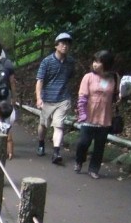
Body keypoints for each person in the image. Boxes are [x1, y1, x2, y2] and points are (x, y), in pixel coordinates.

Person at [74, 50, 119, 179]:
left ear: (106, 64)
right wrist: (82, 113)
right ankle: (79, 160)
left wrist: (122, 94)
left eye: (98, 62)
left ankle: (94, 169)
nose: (95, 64)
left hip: (105, 118)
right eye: (94, 61)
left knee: (99, 146)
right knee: (83, 143)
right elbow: (82, 96)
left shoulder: (114, 78)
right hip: (89, 116)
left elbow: (116, 95)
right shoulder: (88, 77)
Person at [35, 32, 76, 164]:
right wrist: (39, 98)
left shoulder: (71, 62)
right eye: (63, 43)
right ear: (56, 45)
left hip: (63, 98)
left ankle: (56, 152)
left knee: (59, 125)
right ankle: (41, 143)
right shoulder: (46, 61)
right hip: (47, 98)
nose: (65, 46)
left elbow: (70, 77)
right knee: (43, 124)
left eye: (68, 43)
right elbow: (39, 81)